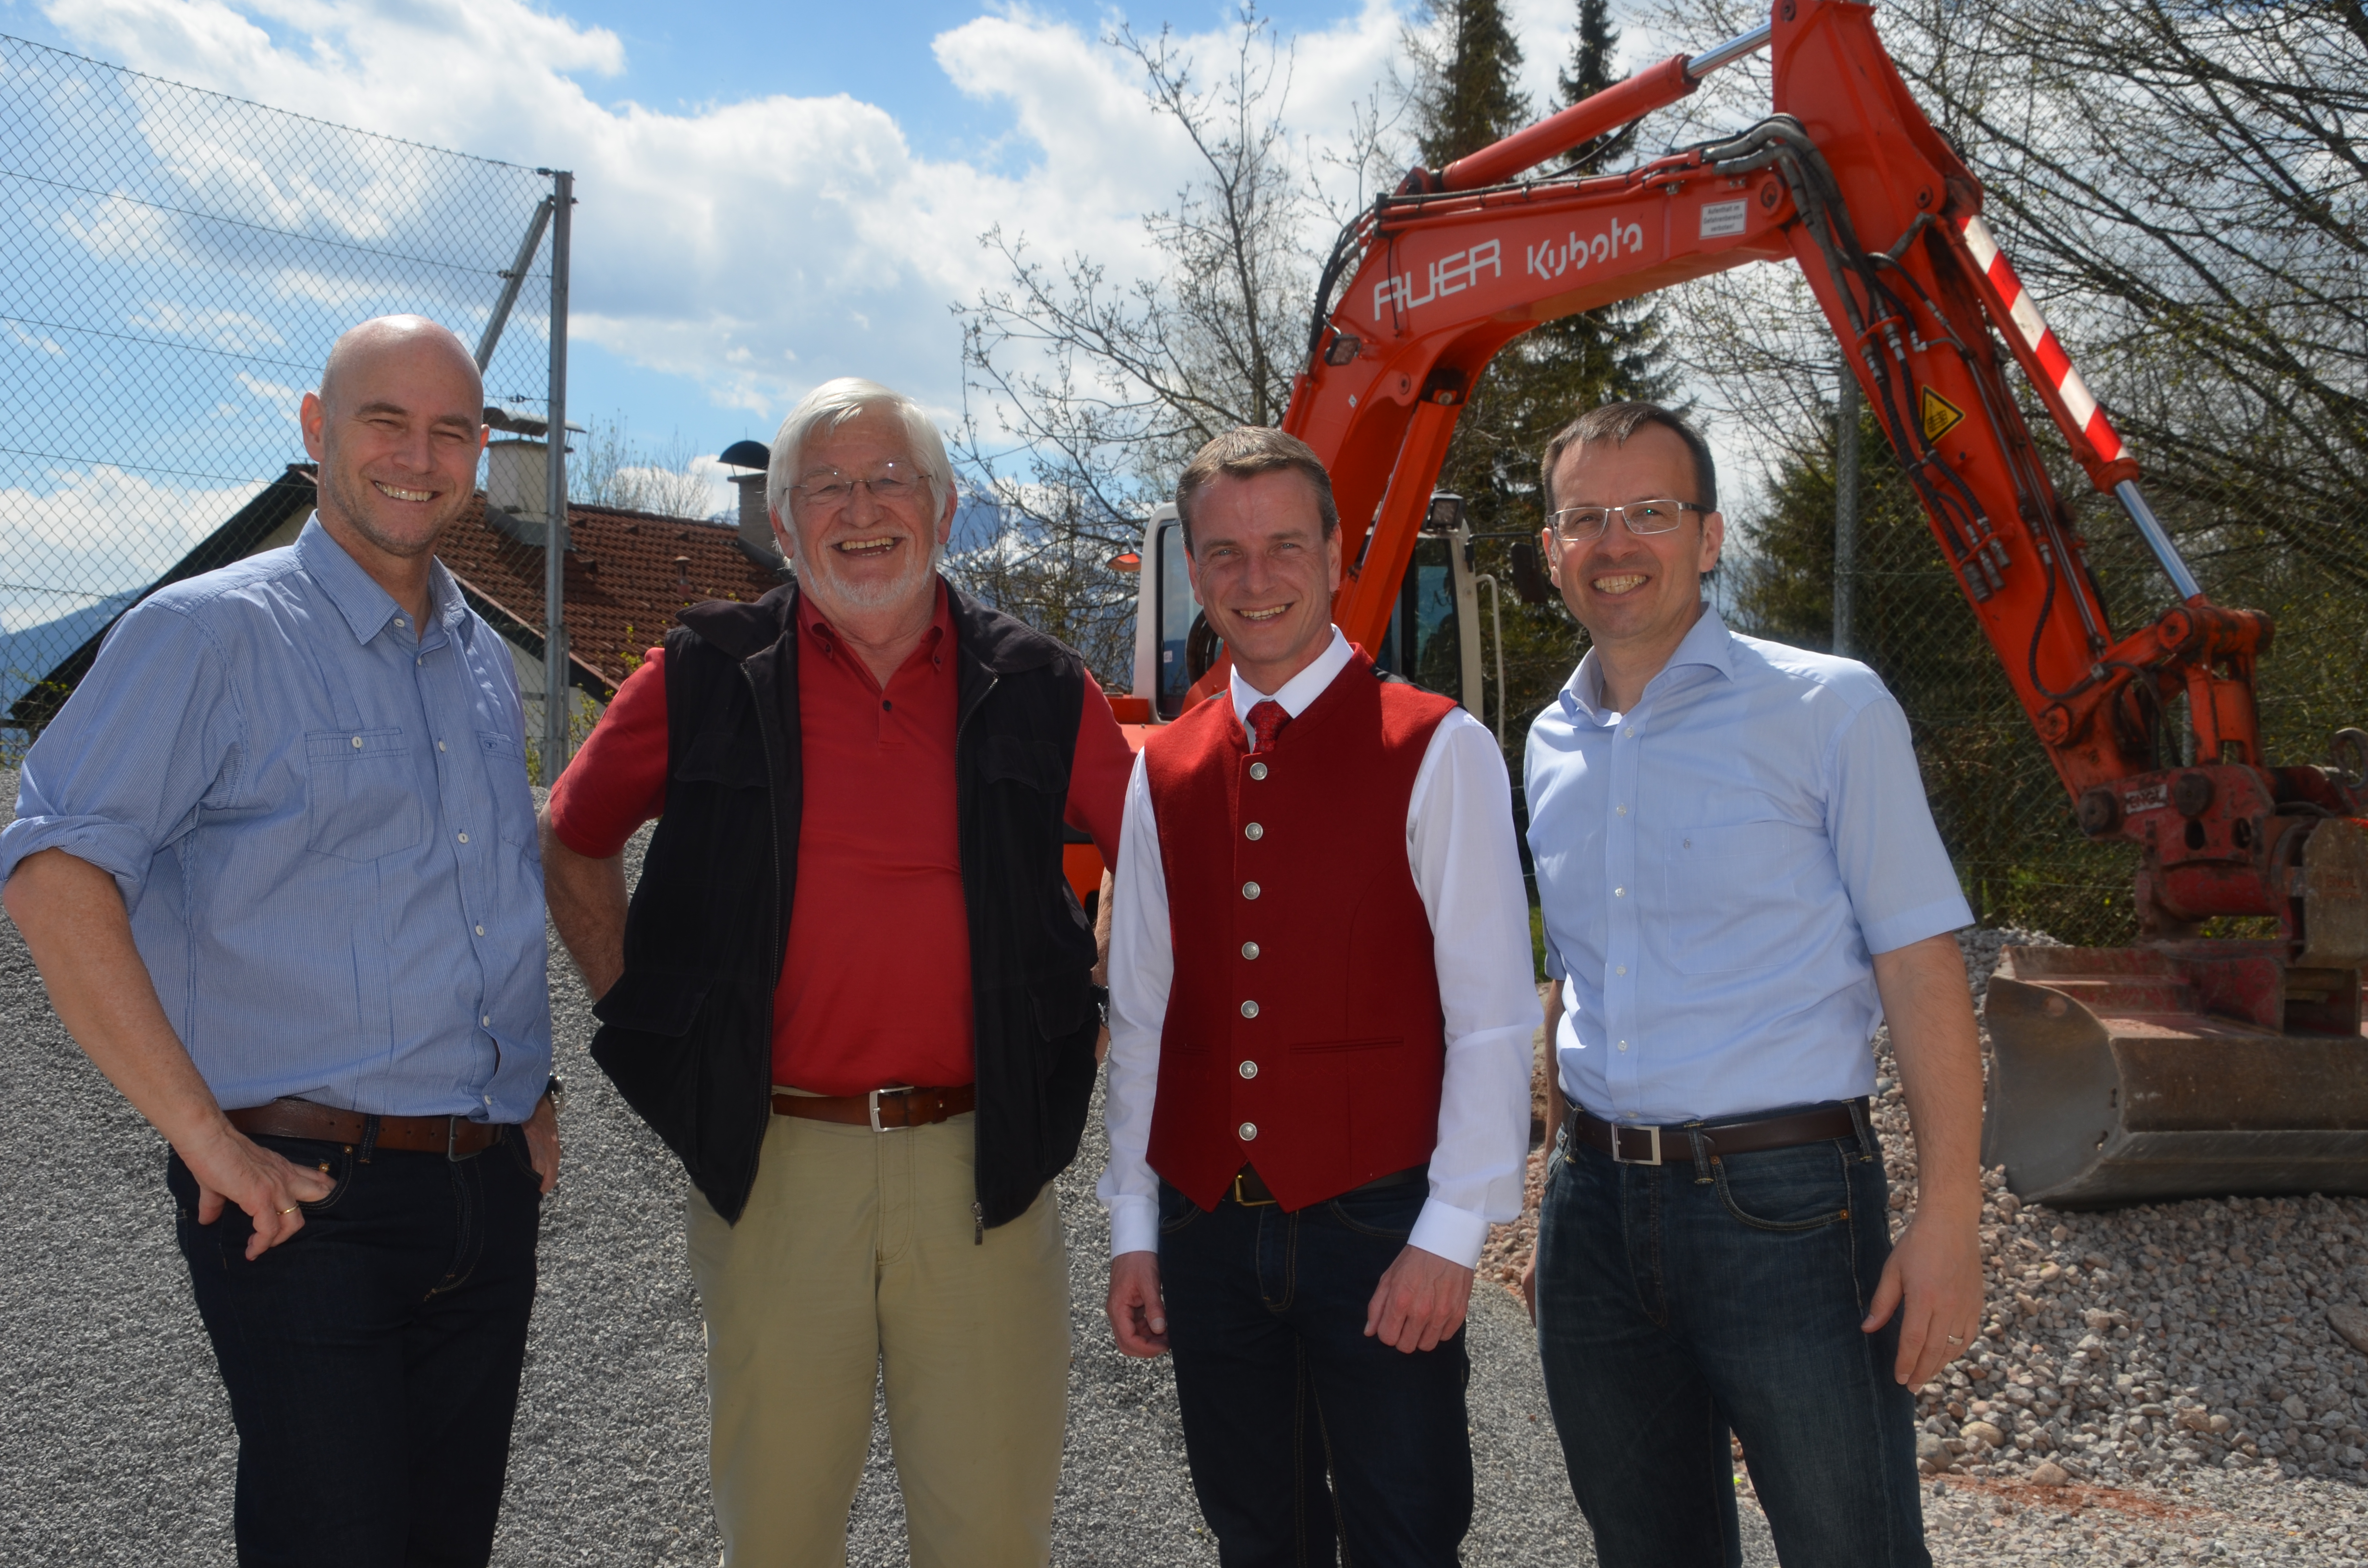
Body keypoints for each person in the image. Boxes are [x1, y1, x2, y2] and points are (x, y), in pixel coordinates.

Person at [539, 377, 1132, 1567]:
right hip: (779, 1163)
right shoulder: (705, 674)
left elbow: (1151, 862)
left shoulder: (1040, 687)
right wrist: (644, 1017)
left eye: (888, 481)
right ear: (781, 522)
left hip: (984, 1165)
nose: (860, 511)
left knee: (991, 1538)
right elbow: (570, 836)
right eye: (825, 487)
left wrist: (1100, 1008)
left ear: (944, 508)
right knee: (778, 1532)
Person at [0, 315, 558, 1567]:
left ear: (480, 452)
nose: (418, 456)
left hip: (481, 1195)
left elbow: (471, 892)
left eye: (452, 431)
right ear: (316, 429)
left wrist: (531, 1095)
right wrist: (203, 1136)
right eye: (385, 421)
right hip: (301, 1197)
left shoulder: (479, 657)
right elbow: (53, 876)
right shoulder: (207, 634)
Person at [1520, 401, 1985, 1566]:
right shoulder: (1546, 743)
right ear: (1550, 550)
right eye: (1584, 518)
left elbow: (1918, 964)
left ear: (1710, 535)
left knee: (1850, 1546)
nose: (1615, 543)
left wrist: (1949, 1218)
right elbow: (1573, 980)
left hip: (1785, 1210)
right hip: (1595, 1213)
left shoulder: (1828, 707)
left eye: (1650, 511)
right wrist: (1559, 1205)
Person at [1098, 427, 1538, 1567]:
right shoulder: (1161, 768)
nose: (1255, 578)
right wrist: (1135, 1230)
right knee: (1257, 1538)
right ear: (1195, 572)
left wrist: (1452, 1235)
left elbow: (1492, 1013)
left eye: (1284, 545)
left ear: (1338, 556)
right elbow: (1142, 1013)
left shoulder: (1439, 746)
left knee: (1406, 1537)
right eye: (1225, 553)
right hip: (1205, 1229)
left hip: (1376, 1225)